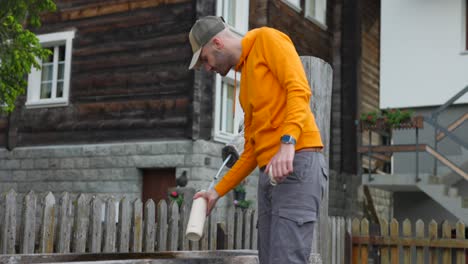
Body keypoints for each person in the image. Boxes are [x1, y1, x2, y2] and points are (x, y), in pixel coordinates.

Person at [188, 16, 328, 264]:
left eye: (205, 60)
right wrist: (216, 192)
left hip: (298, 160)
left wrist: (287, 143)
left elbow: (299, 89)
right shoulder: (245, 87)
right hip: (270, 173)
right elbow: (252, 149)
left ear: (217, 42)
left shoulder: (267, 39)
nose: (207, 68)